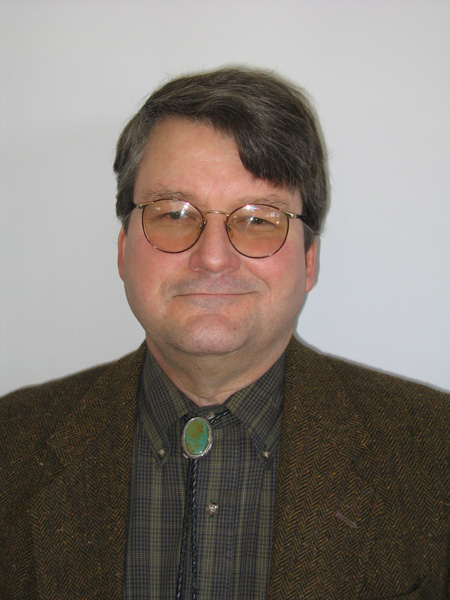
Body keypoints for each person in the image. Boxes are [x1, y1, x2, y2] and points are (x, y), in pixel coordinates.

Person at [1, 67, 448, 600]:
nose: (212, 257)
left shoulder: (434, 456)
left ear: (309, 259)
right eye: (174, 214)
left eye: (258, 219)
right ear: (123, 250)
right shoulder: (12, 446)